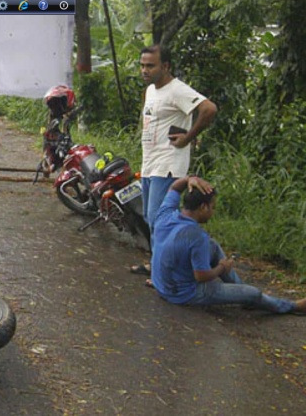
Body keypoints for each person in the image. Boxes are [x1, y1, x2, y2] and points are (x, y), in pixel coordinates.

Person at [151, 175, 306, 314]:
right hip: (183, 294)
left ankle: (240, 291)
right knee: (253, 293)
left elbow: (174, 187)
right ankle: (290, 306)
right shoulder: (197, 236)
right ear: (203, 207)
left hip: (161, 285)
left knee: (212, 245)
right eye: (213, 207)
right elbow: (201, 277)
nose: (213, 212)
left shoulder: (166, 214)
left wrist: (189, 179)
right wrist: (222, 268)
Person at [130, 44, 218, 283]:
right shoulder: (151, 90)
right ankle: (157, 263)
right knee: (152, 219)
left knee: (160, 220)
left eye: (150, 65)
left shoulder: (177, 90)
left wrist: (189, 138)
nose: (144, 70)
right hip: (150, 164)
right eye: (142, 65)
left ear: (165, 66)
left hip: (168, 165)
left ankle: (164, 274)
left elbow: (209, 109)